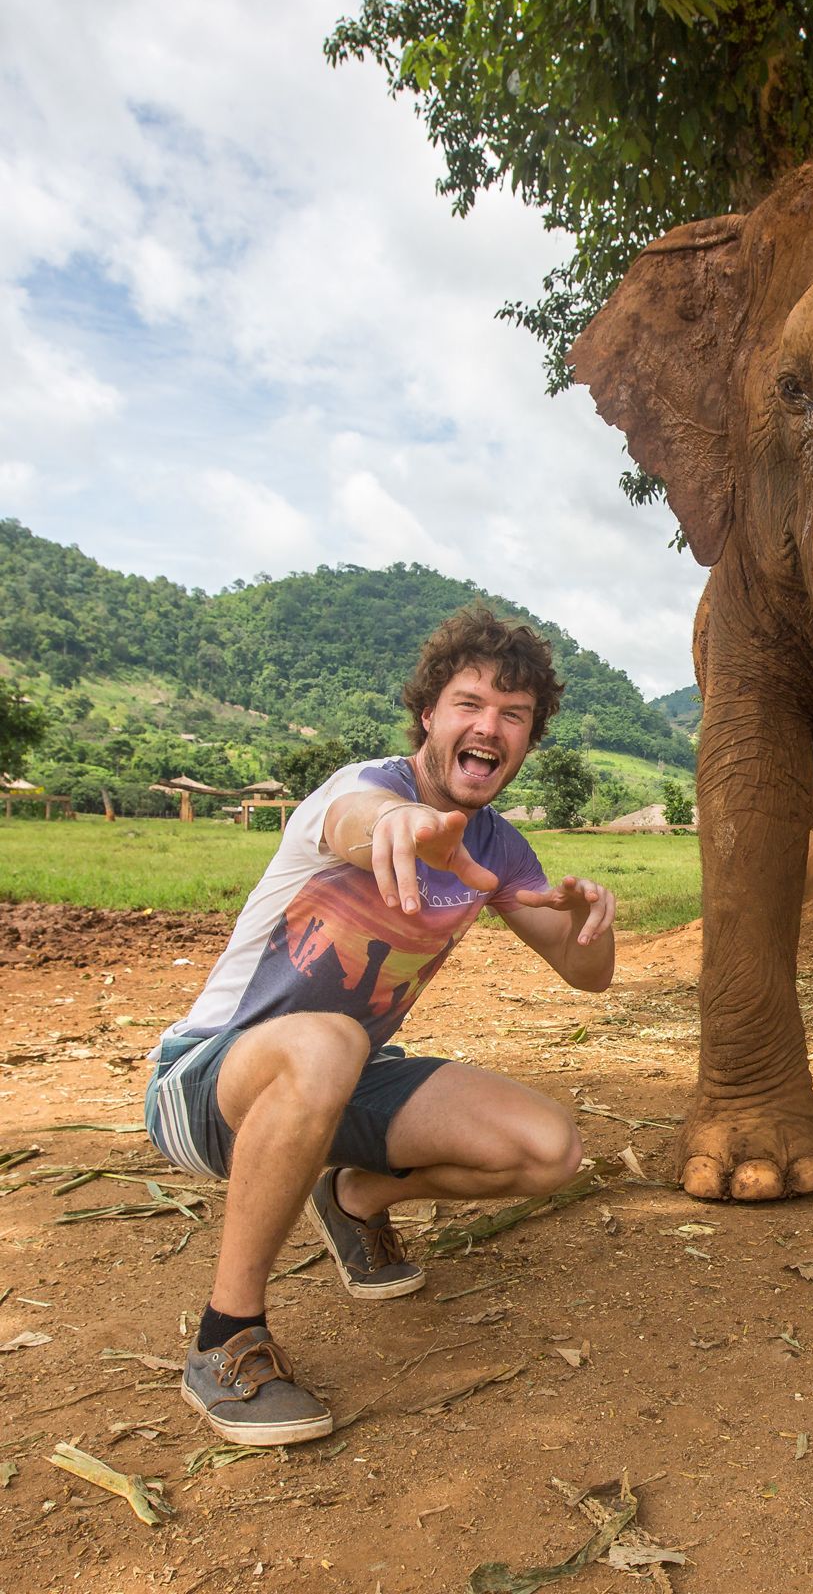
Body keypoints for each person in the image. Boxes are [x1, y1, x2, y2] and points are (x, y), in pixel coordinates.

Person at [144, 607, 616, 1445]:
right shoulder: (361, 790)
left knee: (551, 1149)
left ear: (530, 739)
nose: (489, 726)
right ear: (430, 713)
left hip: (346, 1077)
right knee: (329, 1041)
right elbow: (352, 819)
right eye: (469, 703)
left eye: (514, 715)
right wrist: (392, 826)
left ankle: (354, 1195)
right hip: (210, 1080)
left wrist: (591, 920)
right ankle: (226, 1339)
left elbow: (587, 977)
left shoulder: (499, 850)